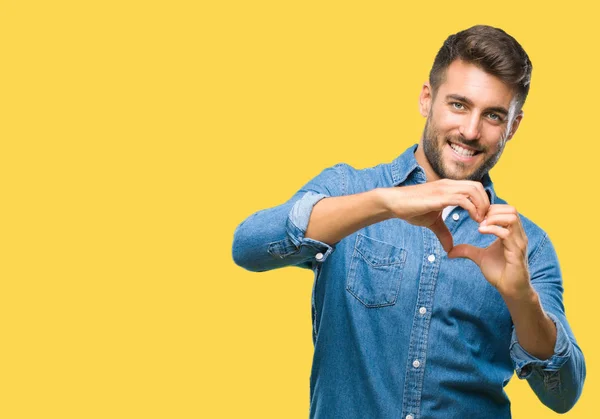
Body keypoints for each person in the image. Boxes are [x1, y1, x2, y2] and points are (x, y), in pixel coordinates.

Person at [231, 25, 586, 418]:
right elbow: (249, 246)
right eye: (459, 105)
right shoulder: (351, 189)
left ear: (512, 127)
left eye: (493, 115)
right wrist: (386, 203)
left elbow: (563, 394)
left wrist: (521, 298)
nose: (470, 131)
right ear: (426, 99)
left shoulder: (525, 245)